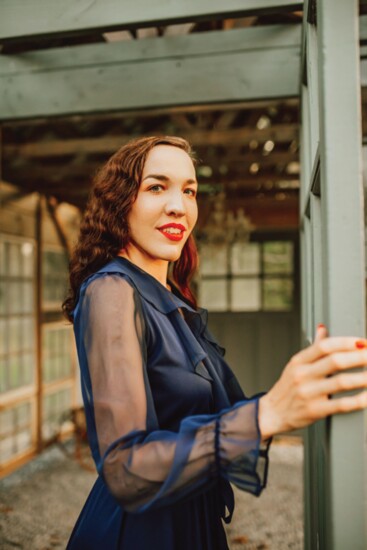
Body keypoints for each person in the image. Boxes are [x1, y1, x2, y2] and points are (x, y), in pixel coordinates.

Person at [63, 136, 367, 550]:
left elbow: (213, 416)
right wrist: (268, 413)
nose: (179, 205)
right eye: (157, 187)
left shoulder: (168, 297)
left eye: (189, 190)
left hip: (191, 519)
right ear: (120, 202)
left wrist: (299, 391)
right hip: (142, 534)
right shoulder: (113, 291)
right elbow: (125, 468)